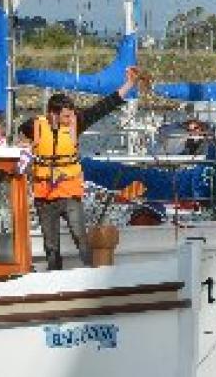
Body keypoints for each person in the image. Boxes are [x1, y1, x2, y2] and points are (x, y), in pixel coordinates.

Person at [31, 67, 140, 270]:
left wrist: (129, 85)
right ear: (52, 115)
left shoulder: (76, 122)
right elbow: (18, 139)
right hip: (44, 197)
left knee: (81, 238)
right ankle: (55, 279)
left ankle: (91, 274)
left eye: (71, 115)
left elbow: (104, 106)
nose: (70, 119)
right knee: (51, 246)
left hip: (69, 193)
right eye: (65, 116)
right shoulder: (35, 126)